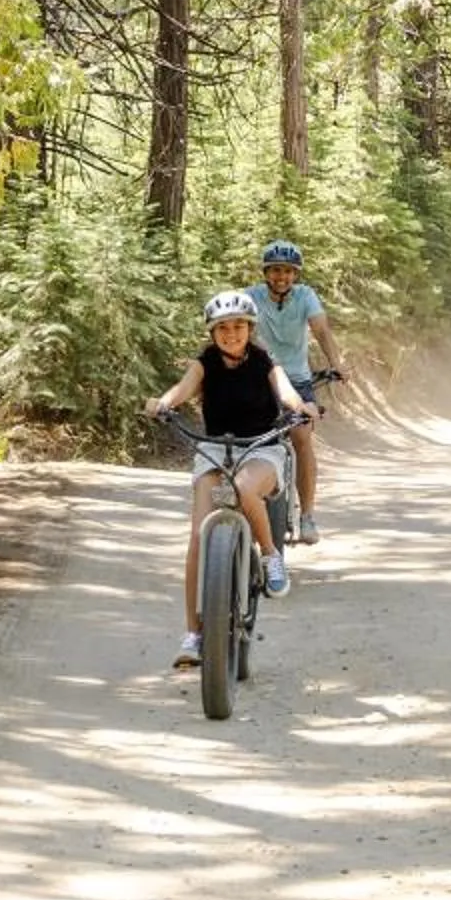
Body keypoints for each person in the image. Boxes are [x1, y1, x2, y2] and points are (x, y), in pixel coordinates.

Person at [147, 287, 314, 671]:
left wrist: (301, 406)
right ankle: (194, 635)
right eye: (223, 327)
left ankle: (271, 557)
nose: (231, 333)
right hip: (214, 450)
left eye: (239, 326)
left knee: (244, 487)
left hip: (262, 448)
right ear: (212, 332)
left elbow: (286, 391)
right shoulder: (205, 361)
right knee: (196, 537)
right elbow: (183, 389)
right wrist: (164, 403)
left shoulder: (263, 360)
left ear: (250, 328)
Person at [248, 240, 341, 543]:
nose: (281, 277)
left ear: (296, 275)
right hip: (260, 379)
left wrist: (336, 363)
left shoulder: (305, 296)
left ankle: (308, 516)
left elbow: (321, 330)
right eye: (275, 270)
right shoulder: (250, 297)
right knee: (250, 439)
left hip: (298, 382)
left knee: (302, 438)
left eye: (288, 271)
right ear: (266, 272)